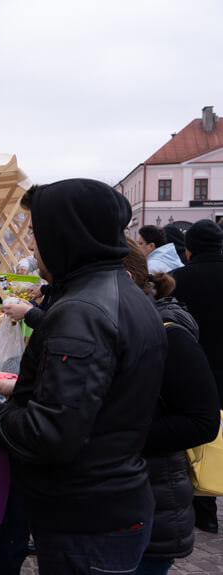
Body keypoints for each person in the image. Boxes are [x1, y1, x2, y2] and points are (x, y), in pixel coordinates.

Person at [0, 179, 167, 575]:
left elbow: (50, 433)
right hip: (106, 505)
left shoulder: (81, 312)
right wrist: (22, 387)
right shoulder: (121, 292)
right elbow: (102, 397)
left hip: (86, 519)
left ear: (65, 234)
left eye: (37, 232)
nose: (32, 246)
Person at [122, 238, 220, 574]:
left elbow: (203, 421)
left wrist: (116, 437)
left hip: (153, 501)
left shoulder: (166, 332)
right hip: (134, 501)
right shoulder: (129, 323)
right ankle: (208, 518)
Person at [171, 218, 223, 534]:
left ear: (189, 251)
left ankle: (203, 508)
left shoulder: (179, 279)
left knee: (196, 439)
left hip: (194, 369)